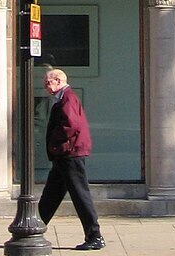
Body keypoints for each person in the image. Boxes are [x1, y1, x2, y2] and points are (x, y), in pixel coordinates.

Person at [38, 68, 105, 251]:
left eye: (48, 82)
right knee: (51, 194)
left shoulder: (67, 98)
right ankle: (34, 227)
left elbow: (71, 124)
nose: (45, 85)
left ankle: (95, 236)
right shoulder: (63, 98)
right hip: (65, 155)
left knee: (80, 195)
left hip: (70, 154)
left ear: (58, 81)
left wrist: (54, 140)